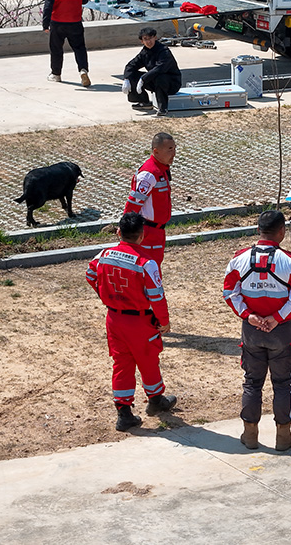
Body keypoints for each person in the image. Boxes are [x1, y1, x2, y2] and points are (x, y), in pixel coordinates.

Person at [222, 210, 291, 452]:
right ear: (281, 232)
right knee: (283, 384)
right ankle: (284, 436)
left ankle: (249, 435)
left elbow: (229, 292)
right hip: (282, 332)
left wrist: (249, 316)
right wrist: (275, 318)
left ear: (258, 229)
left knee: (252, 383)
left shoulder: (238, 259)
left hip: (251, 333)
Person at [85, 212, 176, 432]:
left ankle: (123, 413)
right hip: (140, 321)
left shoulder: (104, 255)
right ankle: (155, 401)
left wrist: (105, 294)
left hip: (114, 318)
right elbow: (157, 296)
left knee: (121, 364)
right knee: (148, 360)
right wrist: (164, 321)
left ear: (118, 232)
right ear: (142, 235)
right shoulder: (147, 263)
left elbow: (90, 274)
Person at [125, 132, 175, 267]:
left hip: (157, 232)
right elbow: (133, 203)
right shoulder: (148, 174)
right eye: (169, 150)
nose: (174, 154)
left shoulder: (161, 169)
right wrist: (126, 228)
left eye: (174, 148)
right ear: (156, 151)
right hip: (147, 233)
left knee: (153, 267)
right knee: (148, 269)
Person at [42, 0, 91, 87]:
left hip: (57, 21)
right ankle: (83, 70)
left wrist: (45, 24)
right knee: (79, 48)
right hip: (75, 21)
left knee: (56, 48)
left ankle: (56, 74)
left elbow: (48, 4)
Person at [122, 27, 182, 117]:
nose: (148, 41)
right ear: (142, 41)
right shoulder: (144, 52)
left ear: (155, 38)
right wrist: (126, 78)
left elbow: (160, 68)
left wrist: (143, 78)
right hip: (153, 80)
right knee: (132, 75)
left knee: (160, 77)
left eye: (150, 38)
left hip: (170, 83)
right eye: (145, 39)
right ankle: (144, 102)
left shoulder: (163, 51)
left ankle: (163, 108)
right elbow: (131, 65)